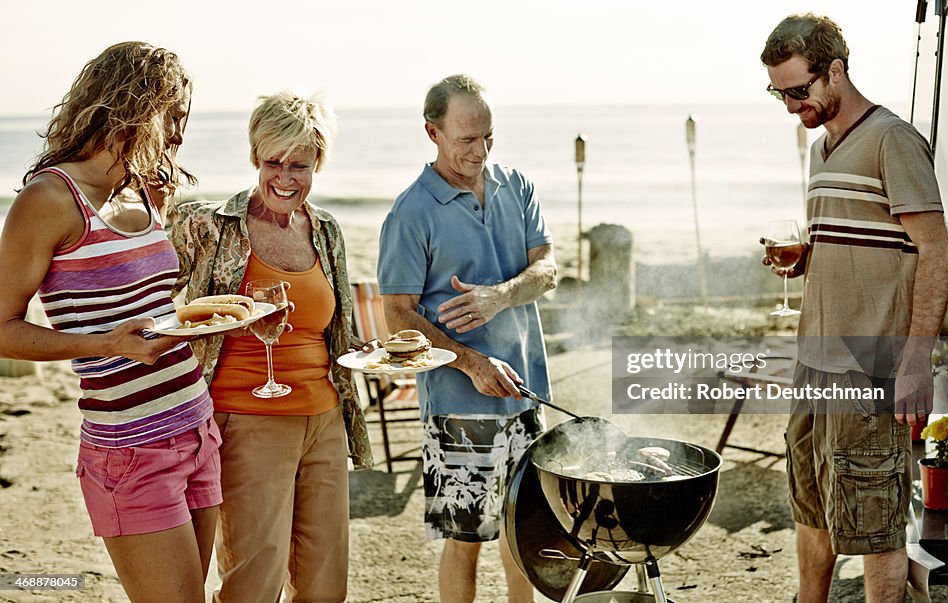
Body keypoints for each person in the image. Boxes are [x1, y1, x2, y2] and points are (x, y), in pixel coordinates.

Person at [0, 42, 219, 602]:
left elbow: (149, 306)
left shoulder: (146, 190)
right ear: (132, 107)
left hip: (196, 425)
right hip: (129, 448)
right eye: (173, 117)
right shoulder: (50, 199)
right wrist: (104, 345)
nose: (178, 135)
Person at [760, 14, 948, 602]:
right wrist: (804, 258)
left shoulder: (893, 140)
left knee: (875, 526)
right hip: (815, 364)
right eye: (779, 93)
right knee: (810, 506)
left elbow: (935, 251)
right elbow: (858, 244)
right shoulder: (822, 150)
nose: (791, 104)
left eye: (799, 89)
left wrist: (916, 362)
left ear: (836, 70)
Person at [171, 90, 372, 602]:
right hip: (246, 420)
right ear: (255, 159)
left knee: (326, 587)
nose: (285, 177)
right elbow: (150, 297)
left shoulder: (326, 230)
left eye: (299, 165)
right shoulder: (212, 226)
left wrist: (374, 357)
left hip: (324, 419)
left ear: (317, 165)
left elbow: (337, 328)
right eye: (273, 162)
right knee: (253, 583)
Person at [377, 74, 556, 603]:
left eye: (487, 137)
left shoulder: (517, 186)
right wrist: (474, 363)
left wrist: (500, 295)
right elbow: (398, 316)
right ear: (432, 132)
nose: (479, 151)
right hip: (458, 408)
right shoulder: (410, 213)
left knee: (525, 531)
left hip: (527, 394)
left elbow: (547, 269)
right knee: (466, 540)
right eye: (465, 140)